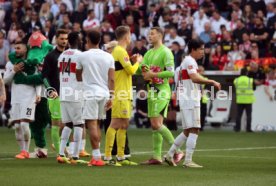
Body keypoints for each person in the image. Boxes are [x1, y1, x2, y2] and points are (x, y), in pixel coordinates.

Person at [164, 39, 221, 168]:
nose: (203, 52)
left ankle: (169, 154)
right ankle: (188, 160)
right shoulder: (190, 61)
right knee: (195, 129)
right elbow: (194, 78)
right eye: (201, 49)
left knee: (187, 131)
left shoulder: (185, 63)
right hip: (190, 99)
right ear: (193, 50)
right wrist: (211, 81)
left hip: (186, 99)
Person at [138, 27, 180, 165]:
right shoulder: (149, 53)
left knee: (156, 124)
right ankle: (156, 156)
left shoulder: (166, 52)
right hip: (152, 91)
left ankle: (177, 150)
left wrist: (153, 74)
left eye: (152, 34)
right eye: (149, 34)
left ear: (160, 35)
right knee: (155, 126)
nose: (150, 36)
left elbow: (171, 73)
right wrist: (137, 63)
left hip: (162, 91)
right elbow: (143, 71)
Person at [104, 26, 142, 166]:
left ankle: (121, 156)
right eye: (130, 35)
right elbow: (131, 71)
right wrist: (138, 61)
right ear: (127, 37)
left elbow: (124, 69)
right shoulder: (120, 51)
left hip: (125, 92)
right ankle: (108, 157)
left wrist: (131, 61)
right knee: (114, 124)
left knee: (124, 124)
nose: (131, 37)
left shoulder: (119, 51)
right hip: (120, 93)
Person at [76, 29, 115, 166]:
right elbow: (112, 79)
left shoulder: (82, 56)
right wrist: (112, 96)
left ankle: (96, 157)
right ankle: (97, 155)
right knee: (97, 124)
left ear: (87, 40)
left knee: (91, 124)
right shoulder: (109, 56)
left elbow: (78, 76)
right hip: (104, 93)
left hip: (90, 93)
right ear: (100, 41)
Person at [4, 40, 41, 159]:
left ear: (26, 49)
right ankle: (22, 151)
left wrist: (38, 94)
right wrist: (14, 71)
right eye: (15, 48)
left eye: (19, 48)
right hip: (16, 98)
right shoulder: (10, 64)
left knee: (25, 124)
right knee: (17, 126)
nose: (16, 50)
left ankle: (26, 151)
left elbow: (37, 80)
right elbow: (5, 81)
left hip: (29, 98)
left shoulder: (31, 64)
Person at [56, 32, 86, 164]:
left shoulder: (62, 55)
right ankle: (75, 155)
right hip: (76, 93)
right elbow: (83, 73)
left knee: (68, 124)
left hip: (63, 93)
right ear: (78, 41)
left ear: (68, 41)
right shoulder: (80, 55)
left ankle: (61, 153)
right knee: (79, 123)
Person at [42, 29, 68, 155]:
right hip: (55, 94)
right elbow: (44, 76)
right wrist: (51, 90)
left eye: (66, 39)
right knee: (56, 123)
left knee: (67, 124)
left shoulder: (69, 56)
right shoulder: (50, 56)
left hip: (68, 94)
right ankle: (59, 152)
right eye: (62, 39)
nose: (64, 41)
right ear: (56, 39)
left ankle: (61, 146)